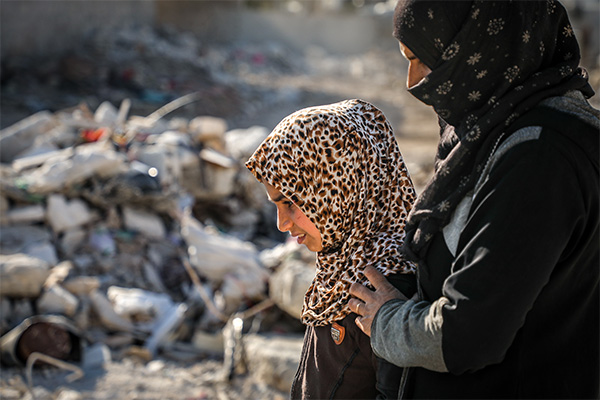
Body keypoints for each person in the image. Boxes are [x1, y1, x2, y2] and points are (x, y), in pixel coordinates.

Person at [348, 1, 599, 399]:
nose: (413, 82)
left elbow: (468, 334)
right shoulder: (502, 128)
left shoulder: (537, 157)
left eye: (422, 59)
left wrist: (387, 322)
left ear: (478, 46)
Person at [245, 99, 418, 399]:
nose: (282, 224)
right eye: (276, 205)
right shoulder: (343, 266)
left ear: (339, 187)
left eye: (290, 202)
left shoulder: (385, 289)